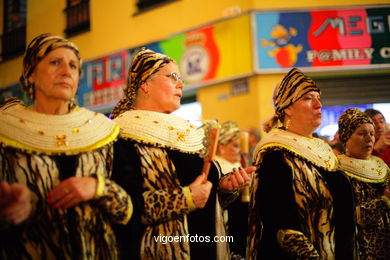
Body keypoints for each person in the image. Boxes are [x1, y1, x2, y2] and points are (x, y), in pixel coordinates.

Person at [110, 48, 256, 260]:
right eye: (172, 77)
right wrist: (184, 198)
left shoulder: (190, 134)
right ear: (144, 84)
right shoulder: (121, 136)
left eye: (180, 78)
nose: (181, 84)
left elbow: (205, 197)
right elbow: (120, 206)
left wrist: (224, 188)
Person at [0, 33, 133, 259]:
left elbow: (128, 211)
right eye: (55, 62)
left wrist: (97, 187)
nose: (66, 71)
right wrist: (12, 210)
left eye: (73, 65)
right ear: (31, 73)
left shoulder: (102, 131)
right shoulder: (5, 130)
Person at [247, 68, 358, 259]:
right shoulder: (275, 153)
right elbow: (281, 225)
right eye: (308, 98)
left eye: (318, 97)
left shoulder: (323, 149)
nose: (318, 104)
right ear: (287, 107)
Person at [337, 108, 389, 259]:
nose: (369, 139)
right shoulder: (337, 171)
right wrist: (383, 203)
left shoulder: (380, 165)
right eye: (361, 134)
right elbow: (341, 216)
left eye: (372, 134)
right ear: (346, 137)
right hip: (359, 247)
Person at [215, 121, 249, 259]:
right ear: (221, 146)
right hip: (227, 227)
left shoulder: (235, 164)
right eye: (235, 146)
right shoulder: (220, 168)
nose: (240, 151)